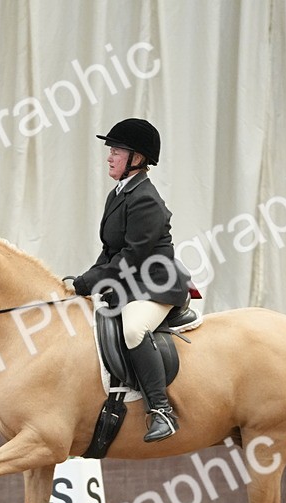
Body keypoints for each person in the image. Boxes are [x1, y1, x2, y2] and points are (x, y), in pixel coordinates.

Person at [71, 118, 188, 442]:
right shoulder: (119, 194)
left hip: (155, 286)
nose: (109, 156)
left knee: (134, 329)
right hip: (130, 283)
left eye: (117, 151)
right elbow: (110, 251)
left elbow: (132, 256)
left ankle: (161, 410)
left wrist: (94, 280)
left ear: (137, 158)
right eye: (111, 150)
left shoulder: (145, 199)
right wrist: (84, 280)